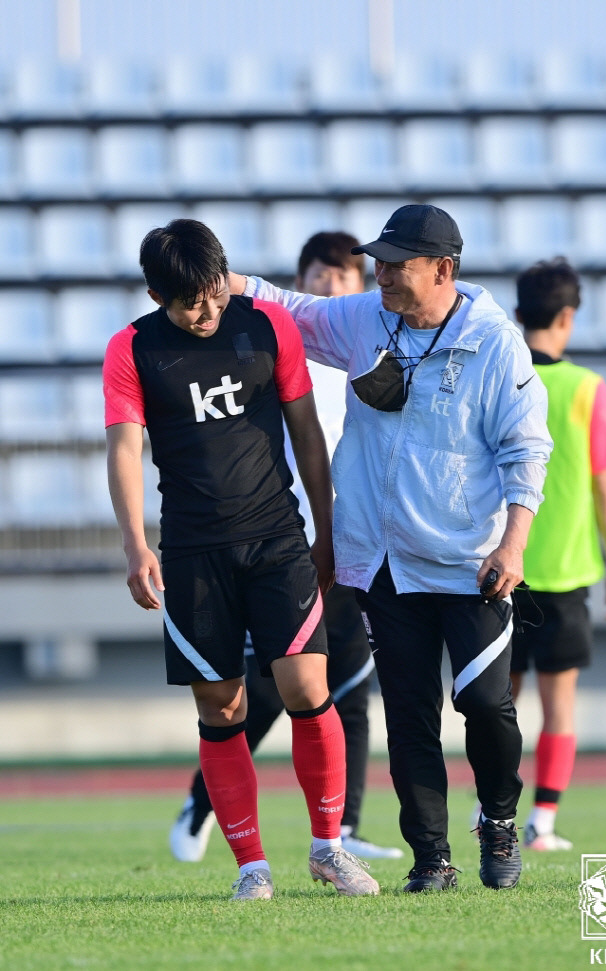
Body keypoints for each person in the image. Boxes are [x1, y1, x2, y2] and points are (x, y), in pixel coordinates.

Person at [227, 203, 553, 892]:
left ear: (442, 269)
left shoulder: (495, 343)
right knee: (407, 718)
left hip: (471, 564)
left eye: (396, 264)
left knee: (486, 703)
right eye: (378, 261)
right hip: (382, 563)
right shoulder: (365, 318)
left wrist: (514, 544)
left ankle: (497, 818)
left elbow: (526, 451)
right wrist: (218, 279)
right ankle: (430, 855)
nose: (380, 275)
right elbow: (293, 310)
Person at [103, 218, 379, 900]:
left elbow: (307, 432)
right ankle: (251, 867)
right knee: (222, 707)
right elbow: (123, 448)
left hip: (278, 539)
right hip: (193, 552)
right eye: (190, 301)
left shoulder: (268, 325)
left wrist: (326, 526)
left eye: (214, 293)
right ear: (154, 294)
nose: (207, 309)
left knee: (306, 689)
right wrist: (135, 543)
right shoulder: (131, 348)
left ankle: (328, 848)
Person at [169, 231, 403, 864]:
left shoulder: (365, 355)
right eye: (319, 276)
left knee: (347, 682)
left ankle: (341, 829)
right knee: (279, 683)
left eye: (343, 278)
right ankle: (203, 800)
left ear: (359, 289)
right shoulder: (273, 340)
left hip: (349, 531)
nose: (331, 286)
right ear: (304, 282)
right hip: (276, 533)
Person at [512, 257, 606, 850]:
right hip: (565, 572)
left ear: (516, 315)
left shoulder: (503, 377)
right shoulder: (587, 388)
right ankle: (544, 824)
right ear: (568, 316)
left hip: (500, 570)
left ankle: (494, 816)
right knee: (558, 706)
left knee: (496, 706)